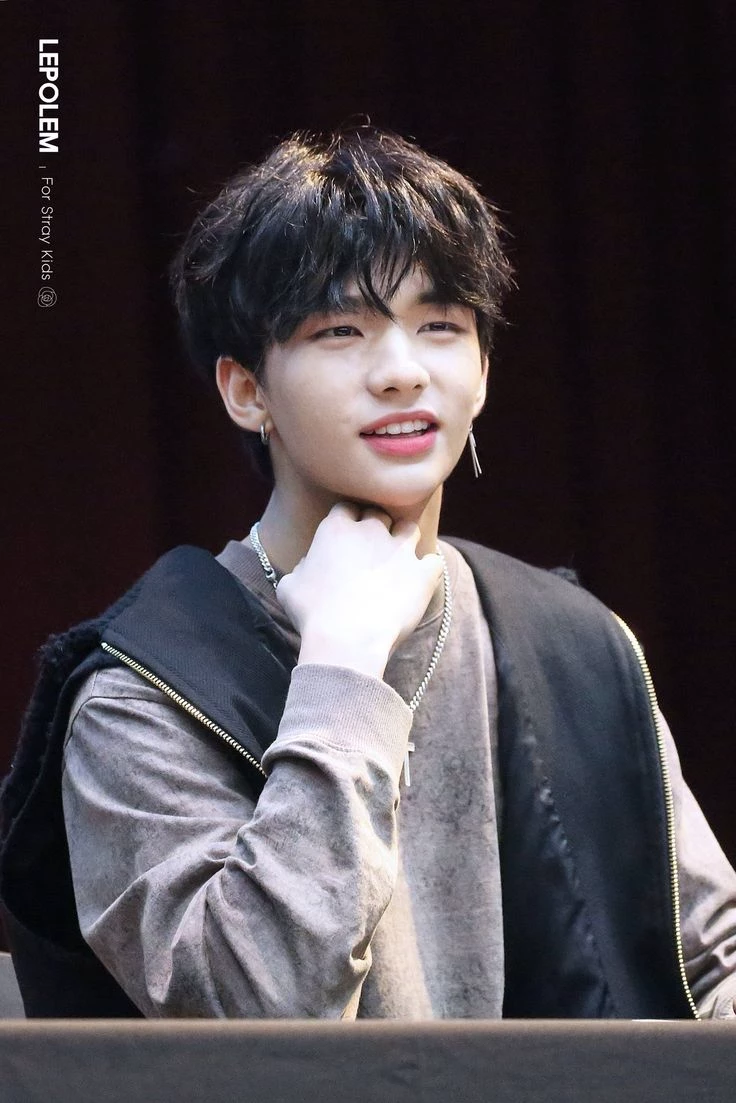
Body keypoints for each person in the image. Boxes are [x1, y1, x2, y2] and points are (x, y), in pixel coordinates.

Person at [1, 129, 735, 1020]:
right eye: (341, 330)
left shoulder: (577, 644)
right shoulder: (141, 694)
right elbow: (257, 1018)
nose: (401, 372)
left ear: (483, 372)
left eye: (441, 326)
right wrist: (342, 671)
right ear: (246, 390)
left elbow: (709, 967)